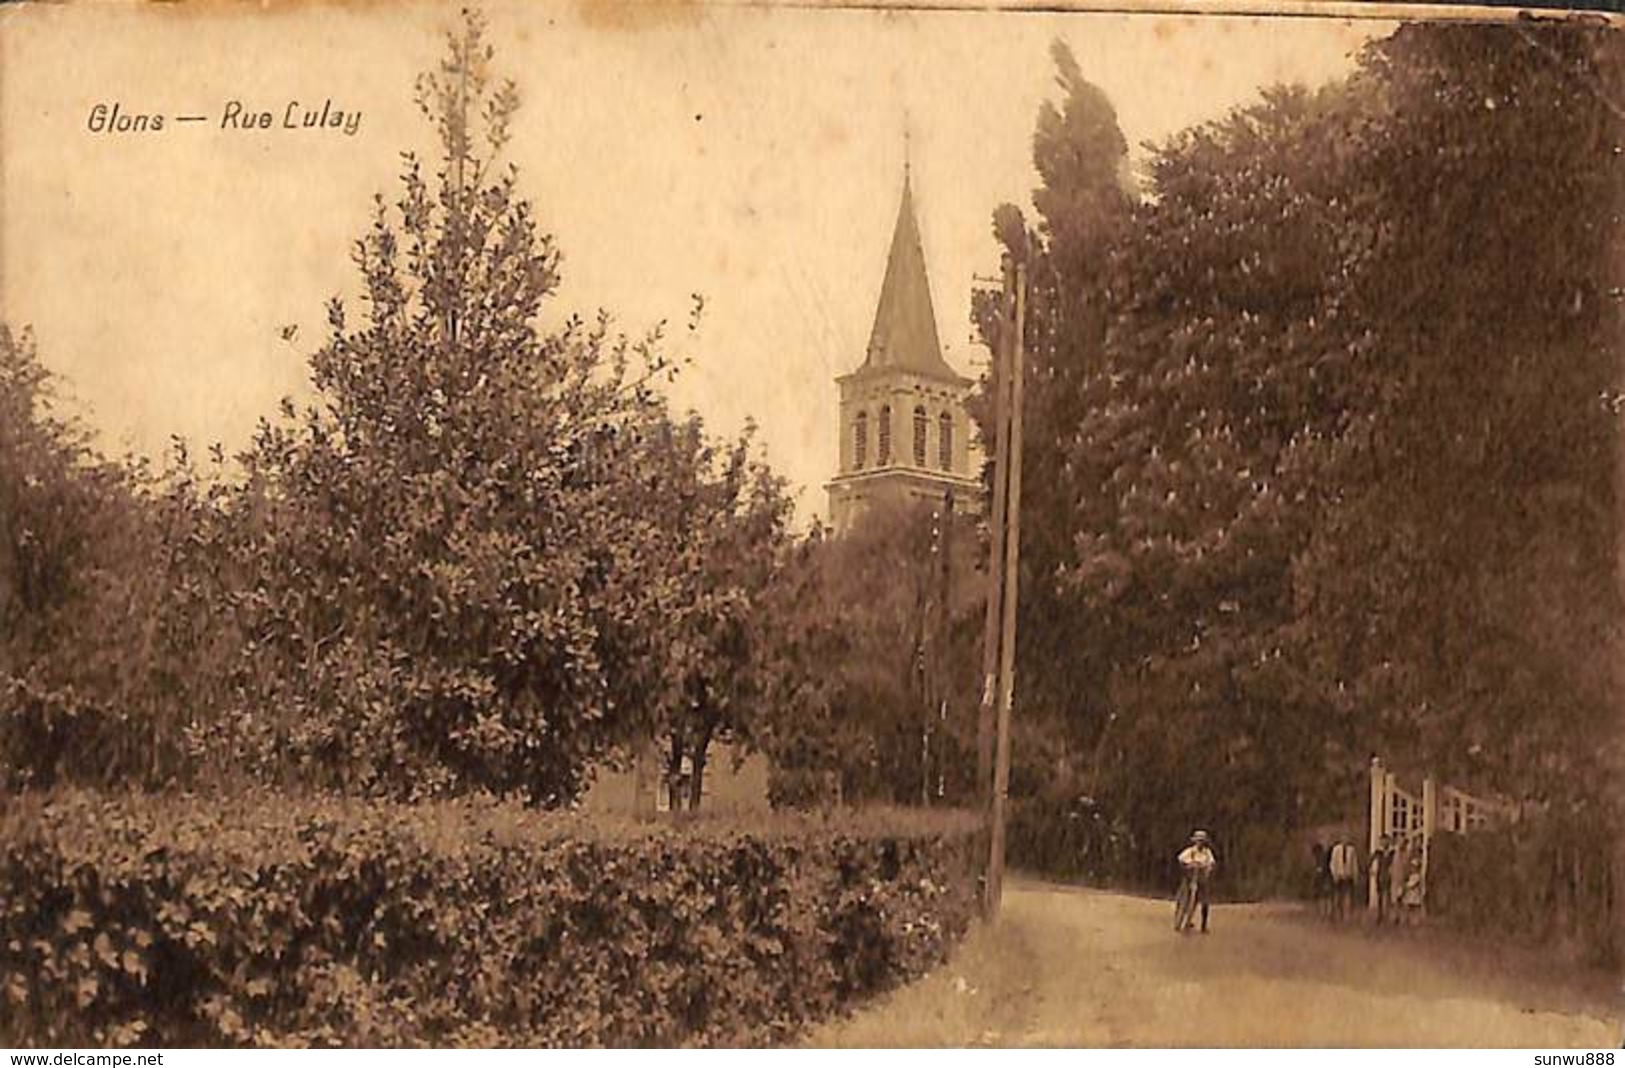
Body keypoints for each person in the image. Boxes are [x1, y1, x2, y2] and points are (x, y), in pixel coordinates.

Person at [1176, 829, 1218, 934]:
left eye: (1202, 841)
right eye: (1198, 840)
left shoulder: (1207, 853)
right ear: (1195, 841)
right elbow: (1181, 860)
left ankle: (1203, 926)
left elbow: (1212, 863)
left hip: (1202, 879)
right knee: (1185, 899)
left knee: (1205, 902)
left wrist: (1208, 868)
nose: (1200, 843)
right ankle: (1181, 921)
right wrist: (1188, 866)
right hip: (1190, 878)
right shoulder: (1190, 851)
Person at [1328, 835, 1359, 922]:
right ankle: (1337, 914)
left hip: (1348, 876)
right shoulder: (1336, 849)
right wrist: (1335, 875)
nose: (1345, 841)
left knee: (1347, 897)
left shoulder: (1352, 850)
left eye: (1347, 839)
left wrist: (1355, 876)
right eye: (1344, 839)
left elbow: (1354, 864)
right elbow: (1333, 863)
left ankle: (1347, 916)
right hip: (1339, 875)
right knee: (1338, 897)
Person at [1369, 834, 1395, 925]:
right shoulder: (1378, 852)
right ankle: (1380, 915)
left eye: (1386, 841)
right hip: (1380, 876)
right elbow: (1370, 861)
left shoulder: (1392, 853)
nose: (1384, 843)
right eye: (1382, 841)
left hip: (1389, 876)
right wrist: (1371, 870)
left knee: (1388, 896)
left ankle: (1388, 914)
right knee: (1380, 896)